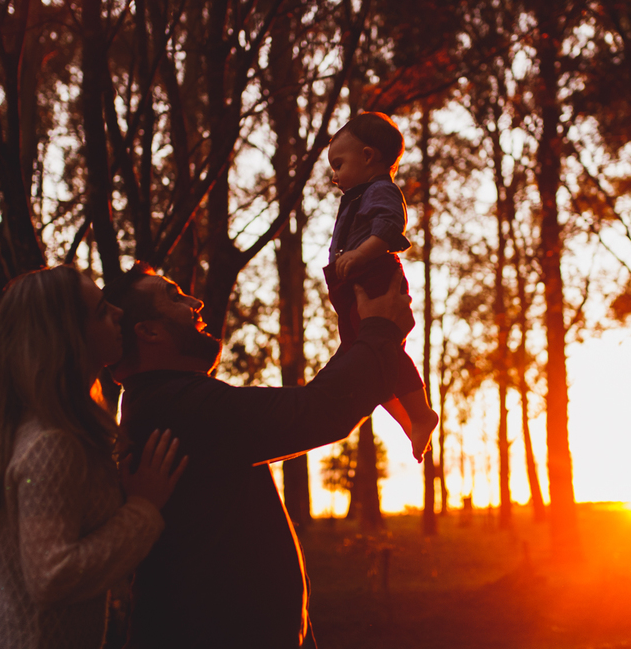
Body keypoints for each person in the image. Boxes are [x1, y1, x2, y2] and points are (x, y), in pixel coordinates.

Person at [105, 263, 417, 648]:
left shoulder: (165, 401)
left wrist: (365, 336)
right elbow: (319, 411)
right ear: (149, 332)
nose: (195, 302)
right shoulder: (179, 407)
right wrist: (379, 330)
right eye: (174, 296)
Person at [0, 266, 187, 649]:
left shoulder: (48, 430)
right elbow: (52, 577)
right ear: (67, 338)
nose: (118, 313)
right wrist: (143, 509)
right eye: (101, 311)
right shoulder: (53, 444)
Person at [324, 111, 439, 460]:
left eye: (338, 165)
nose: (334, 176)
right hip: (352, 283)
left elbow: (389, 227)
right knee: (366, 357)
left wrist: (360, 254)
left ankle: (420, 414)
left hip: (373, 275)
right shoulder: (359, 196)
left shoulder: (380, 190)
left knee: (383, 349)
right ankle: (409, 421)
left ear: (367, 156)